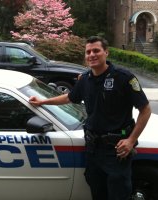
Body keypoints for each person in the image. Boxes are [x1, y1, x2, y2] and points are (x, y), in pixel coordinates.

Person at [29, 36, 151, 200]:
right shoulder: (85, 79)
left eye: (96, 51)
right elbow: (69, 98)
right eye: (88, 52)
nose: (91, 55)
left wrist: (131, 140)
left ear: (106, 52)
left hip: (116, 151)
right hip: (93, 149)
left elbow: (145, 109)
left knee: (118, 193)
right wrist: (43, 101)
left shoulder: (123, 77)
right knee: (96, 190)